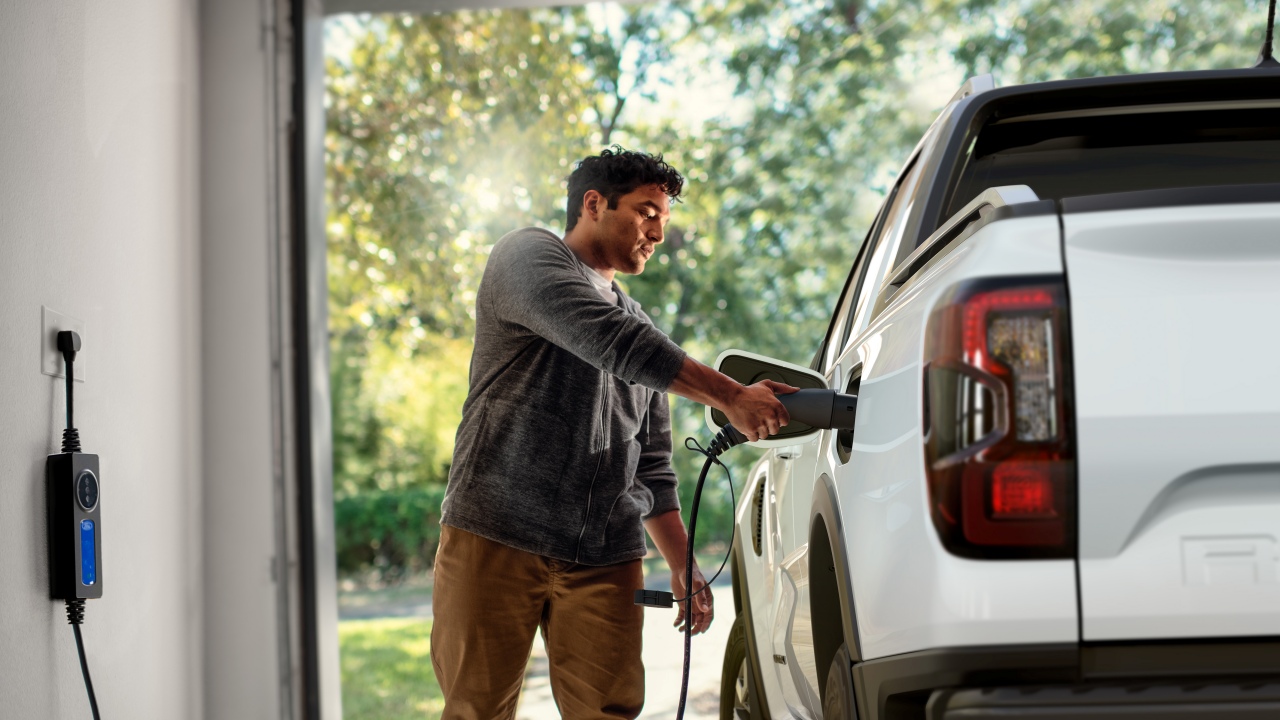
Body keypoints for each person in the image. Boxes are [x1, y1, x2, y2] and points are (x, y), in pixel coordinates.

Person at [431, 146, 794, 720]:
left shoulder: (646, 332)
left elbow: (650, 464)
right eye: (648, 211)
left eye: (665, 220)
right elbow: (608, 341)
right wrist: (730, 395)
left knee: (611, 713)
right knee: (475, 709)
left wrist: (681, 563)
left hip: (605, 555)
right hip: (496, 534)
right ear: (594, 204)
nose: (658, 232)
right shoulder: (526, 256)